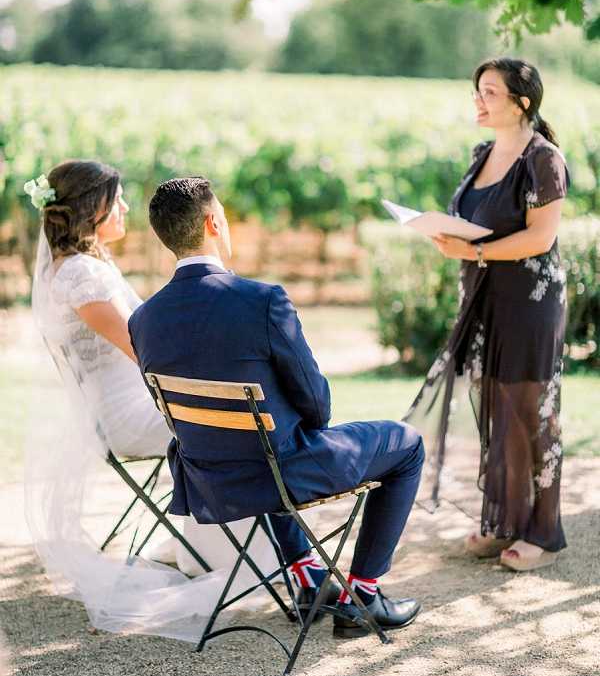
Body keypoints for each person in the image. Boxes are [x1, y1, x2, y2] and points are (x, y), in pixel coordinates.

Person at [128, 175, 425, 639]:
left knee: (256, 445)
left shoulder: (143, 319)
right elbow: (316, 403)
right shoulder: (262, 300)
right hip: (280, 473)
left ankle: (308, 579)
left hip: (212, 480)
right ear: (213, 223)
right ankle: (363, 596)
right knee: (407, 444)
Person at [25, 159, 275, 641]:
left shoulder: (85, 265)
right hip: (126, 414)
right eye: (115, 200)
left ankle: (222, 545)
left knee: (228, 419)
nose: (123, 207)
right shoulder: (80, 276)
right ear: (91, 209)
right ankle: (242, 554)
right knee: (235, 423)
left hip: (137, 401)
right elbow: (142, 351)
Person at [405, 58, 569, 572]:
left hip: (530, 303)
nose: (479, 101)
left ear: (522, 102)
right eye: (477, 91)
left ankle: (542, 532)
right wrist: (450, 235)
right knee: (494, 409)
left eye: (490, 93)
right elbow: (480, 221)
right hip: (483, 299)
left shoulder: (544, 158)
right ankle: (503, 521)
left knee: (531, 411)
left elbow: (541, 237)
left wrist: (471, 252)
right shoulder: (482, 153)